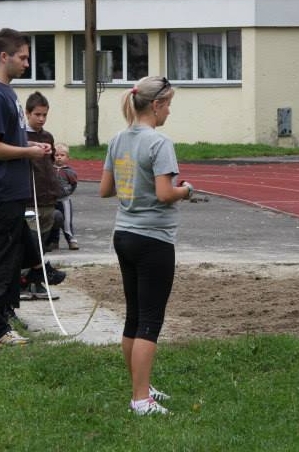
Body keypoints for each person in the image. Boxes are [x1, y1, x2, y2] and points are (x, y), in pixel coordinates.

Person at [99, 75, 194, 416]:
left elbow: (105, 189)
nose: (169, 112)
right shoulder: (159, 143)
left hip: (123, 235)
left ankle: (140, 386)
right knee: (150, 320)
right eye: (168, 105)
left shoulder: (117, 139)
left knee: (134, 316)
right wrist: (187, 190)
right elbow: (165, 194)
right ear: (155, 105)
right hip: (153, 239)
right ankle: (141, 400)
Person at [0, 27, 54, 348]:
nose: (26, 63)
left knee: (11, 260)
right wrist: (29, 152)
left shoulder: (9, 92)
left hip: (13, 193)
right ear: (3, 56)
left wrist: (33, 149)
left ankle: (5, 319)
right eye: (22, 57)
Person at [22, 90, 68, 295]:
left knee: (42, 240)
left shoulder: (48, 136)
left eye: (44, 115)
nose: (41, 119)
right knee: (29, 242)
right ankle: (23, 280)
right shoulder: (20, 136)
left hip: (47, 197)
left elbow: (49, 166)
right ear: (27, 113)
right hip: (29, 199)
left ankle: (36, 280)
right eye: (37, 114)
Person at [53, 142, 79, 250]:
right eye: (56, 155)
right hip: (51, 200)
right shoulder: (49, 169)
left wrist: (67, 192)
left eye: (62, 155)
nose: (59, 157)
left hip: (64, 200)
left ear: (67, 157)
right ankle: (53, 241)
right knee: (52, 220)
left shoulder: (69, 172)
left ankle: (71, 240)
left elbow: (73, 184)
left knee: (66, 221)